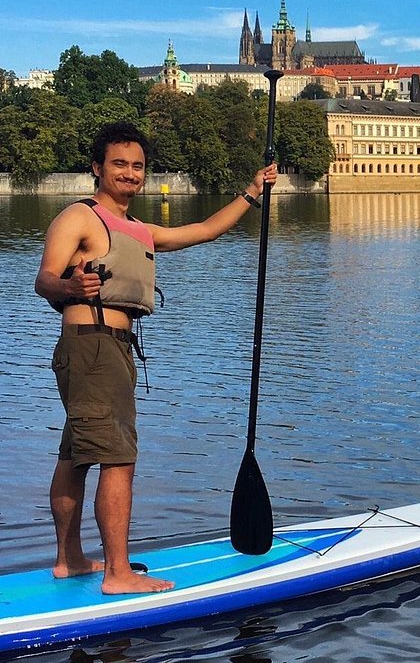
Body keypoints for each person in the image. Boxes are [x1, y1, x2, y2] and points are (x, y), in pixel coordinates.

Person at [34, 121, 278, 594]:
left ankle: (69, 560)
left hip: (109, 349)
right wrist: (70, 286)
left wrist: (252, 191)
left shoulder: (137, 229)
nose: (129, 173)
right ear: (97, 168)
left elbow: (205, 230)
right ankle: (117, 573)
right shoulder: (80, 217)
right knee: (117, 458)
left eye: (137, 166)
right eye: (119, 164)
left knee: (76, 455)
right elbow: (44, 279)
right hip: (93, 345)